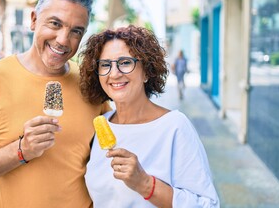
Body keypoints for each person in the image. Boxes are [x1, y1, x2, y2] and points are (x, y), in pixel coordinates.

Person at [0, 0, 110, 208]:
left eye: (76, 31)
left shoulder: (91, 82)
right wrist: (21, 150)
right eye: (55, 23)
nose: (63, 40)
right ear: (34, 20)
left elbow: (110, 149)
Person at [79, 25, 219, 208]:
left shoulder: (174, 126)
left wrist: (145, 183)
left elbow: (208, 204)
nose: (114, 73)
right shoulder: (101, 124)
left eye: (125, 62)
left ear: (146, 71)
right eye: (105, 65)